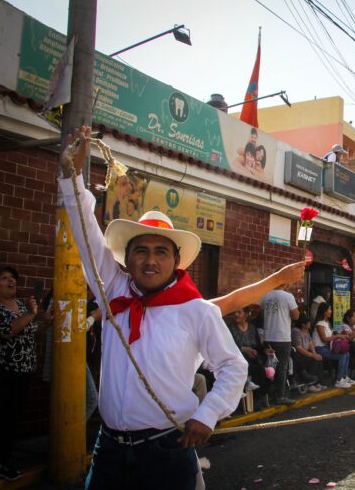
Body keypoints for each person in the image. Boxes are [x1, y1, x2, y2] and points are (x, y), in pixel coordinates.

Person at [59, 127, 247, 490]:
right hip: (109, 448)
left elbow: (232, 366)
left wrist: (207, 415)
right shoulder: (113, 288)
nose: (149, 260)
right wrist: (72, 179)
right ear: (126, 259)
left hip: (167, 449)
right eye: (140, 251)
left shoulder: (195, 310)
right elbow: (85, 237)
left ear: (176, 261)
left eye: (161, 252)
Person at [0, 265, 39, 482]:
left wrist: (43, 318)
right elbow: (8, 330)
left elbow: (31, 329)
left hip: (24, 373)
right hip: (0, 374)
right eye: (4, 278)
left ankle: (4, 461)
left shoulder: (18, 304)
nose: (11, 282)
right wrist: (30, 314)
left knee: (13, 419)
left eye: (13, 278)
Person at [260, 283, 300, 406]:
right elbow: (296, 316)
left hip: (268, 337)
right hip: (282, 337)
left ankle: (263, 395)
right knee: (282, 367)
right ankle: (280, 396)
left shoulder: (265, 296)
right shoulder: (288, 296)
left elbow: (262, 314)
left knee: (269, 367)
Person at [226, 308, 272, 401]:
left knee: (264, 368)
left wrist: (265, 350)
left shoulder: (252, 328)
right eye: (235, 312)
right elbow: (227, 346)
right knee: (258, 369)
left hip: (254, 358)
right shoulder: (230, 328)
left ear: (246, 314)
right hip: (238, 360)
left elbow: (258, 346)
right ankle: (257, 398)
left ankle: (260, 394)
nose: (236, 314)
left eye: (239, 312)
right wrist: (243, 349)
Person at [312, 304, 353, 389]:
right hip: (319, 349)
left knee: (347, 354)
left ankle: (344, 377)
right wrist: (337, 336)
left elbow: (331, 335)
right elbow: (324, 339)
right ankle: (339, 380)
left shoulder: (326, 323)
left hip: (325, 348)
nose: (331, 311)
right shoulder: (320, 324)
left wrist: (341, 334)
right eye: (329, 309)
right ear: (324, 312)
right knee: (342, 356)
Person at [291, 314, 325, 393]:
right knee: (314, 359)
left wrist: (315, 354)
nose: (310, 324)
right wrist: (313, 355)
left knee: (319, 358)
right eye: (309, 322)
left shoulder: (306, 331)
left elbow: (310, 343)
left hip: (305, 354)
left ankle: (317, 382)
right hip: (298, 356)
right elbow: (299, 348)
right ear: (303, 324)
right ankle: (310, 384)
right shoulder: (296, 331)